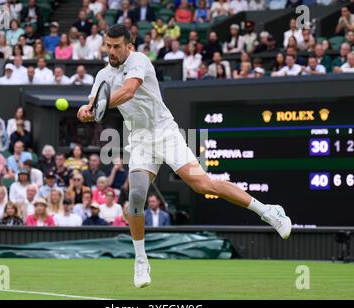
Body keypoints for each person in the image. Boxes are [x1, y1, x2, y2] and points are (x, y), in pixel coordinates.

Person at [77, 25, 291, 288]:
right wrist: (85, 111)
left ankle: (269, 212)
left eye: (116, 46)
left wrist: (99, 105)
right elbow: (91, 104)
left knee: (203, 185)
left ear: (129, 46)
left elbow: (129, 91)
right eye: (108, 46)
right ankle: (141, 261)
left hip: (165, 132)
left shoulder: (140, 61)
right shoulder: (102, 75)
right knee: (135, 196)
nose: (111, 51)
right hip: (140, 139)